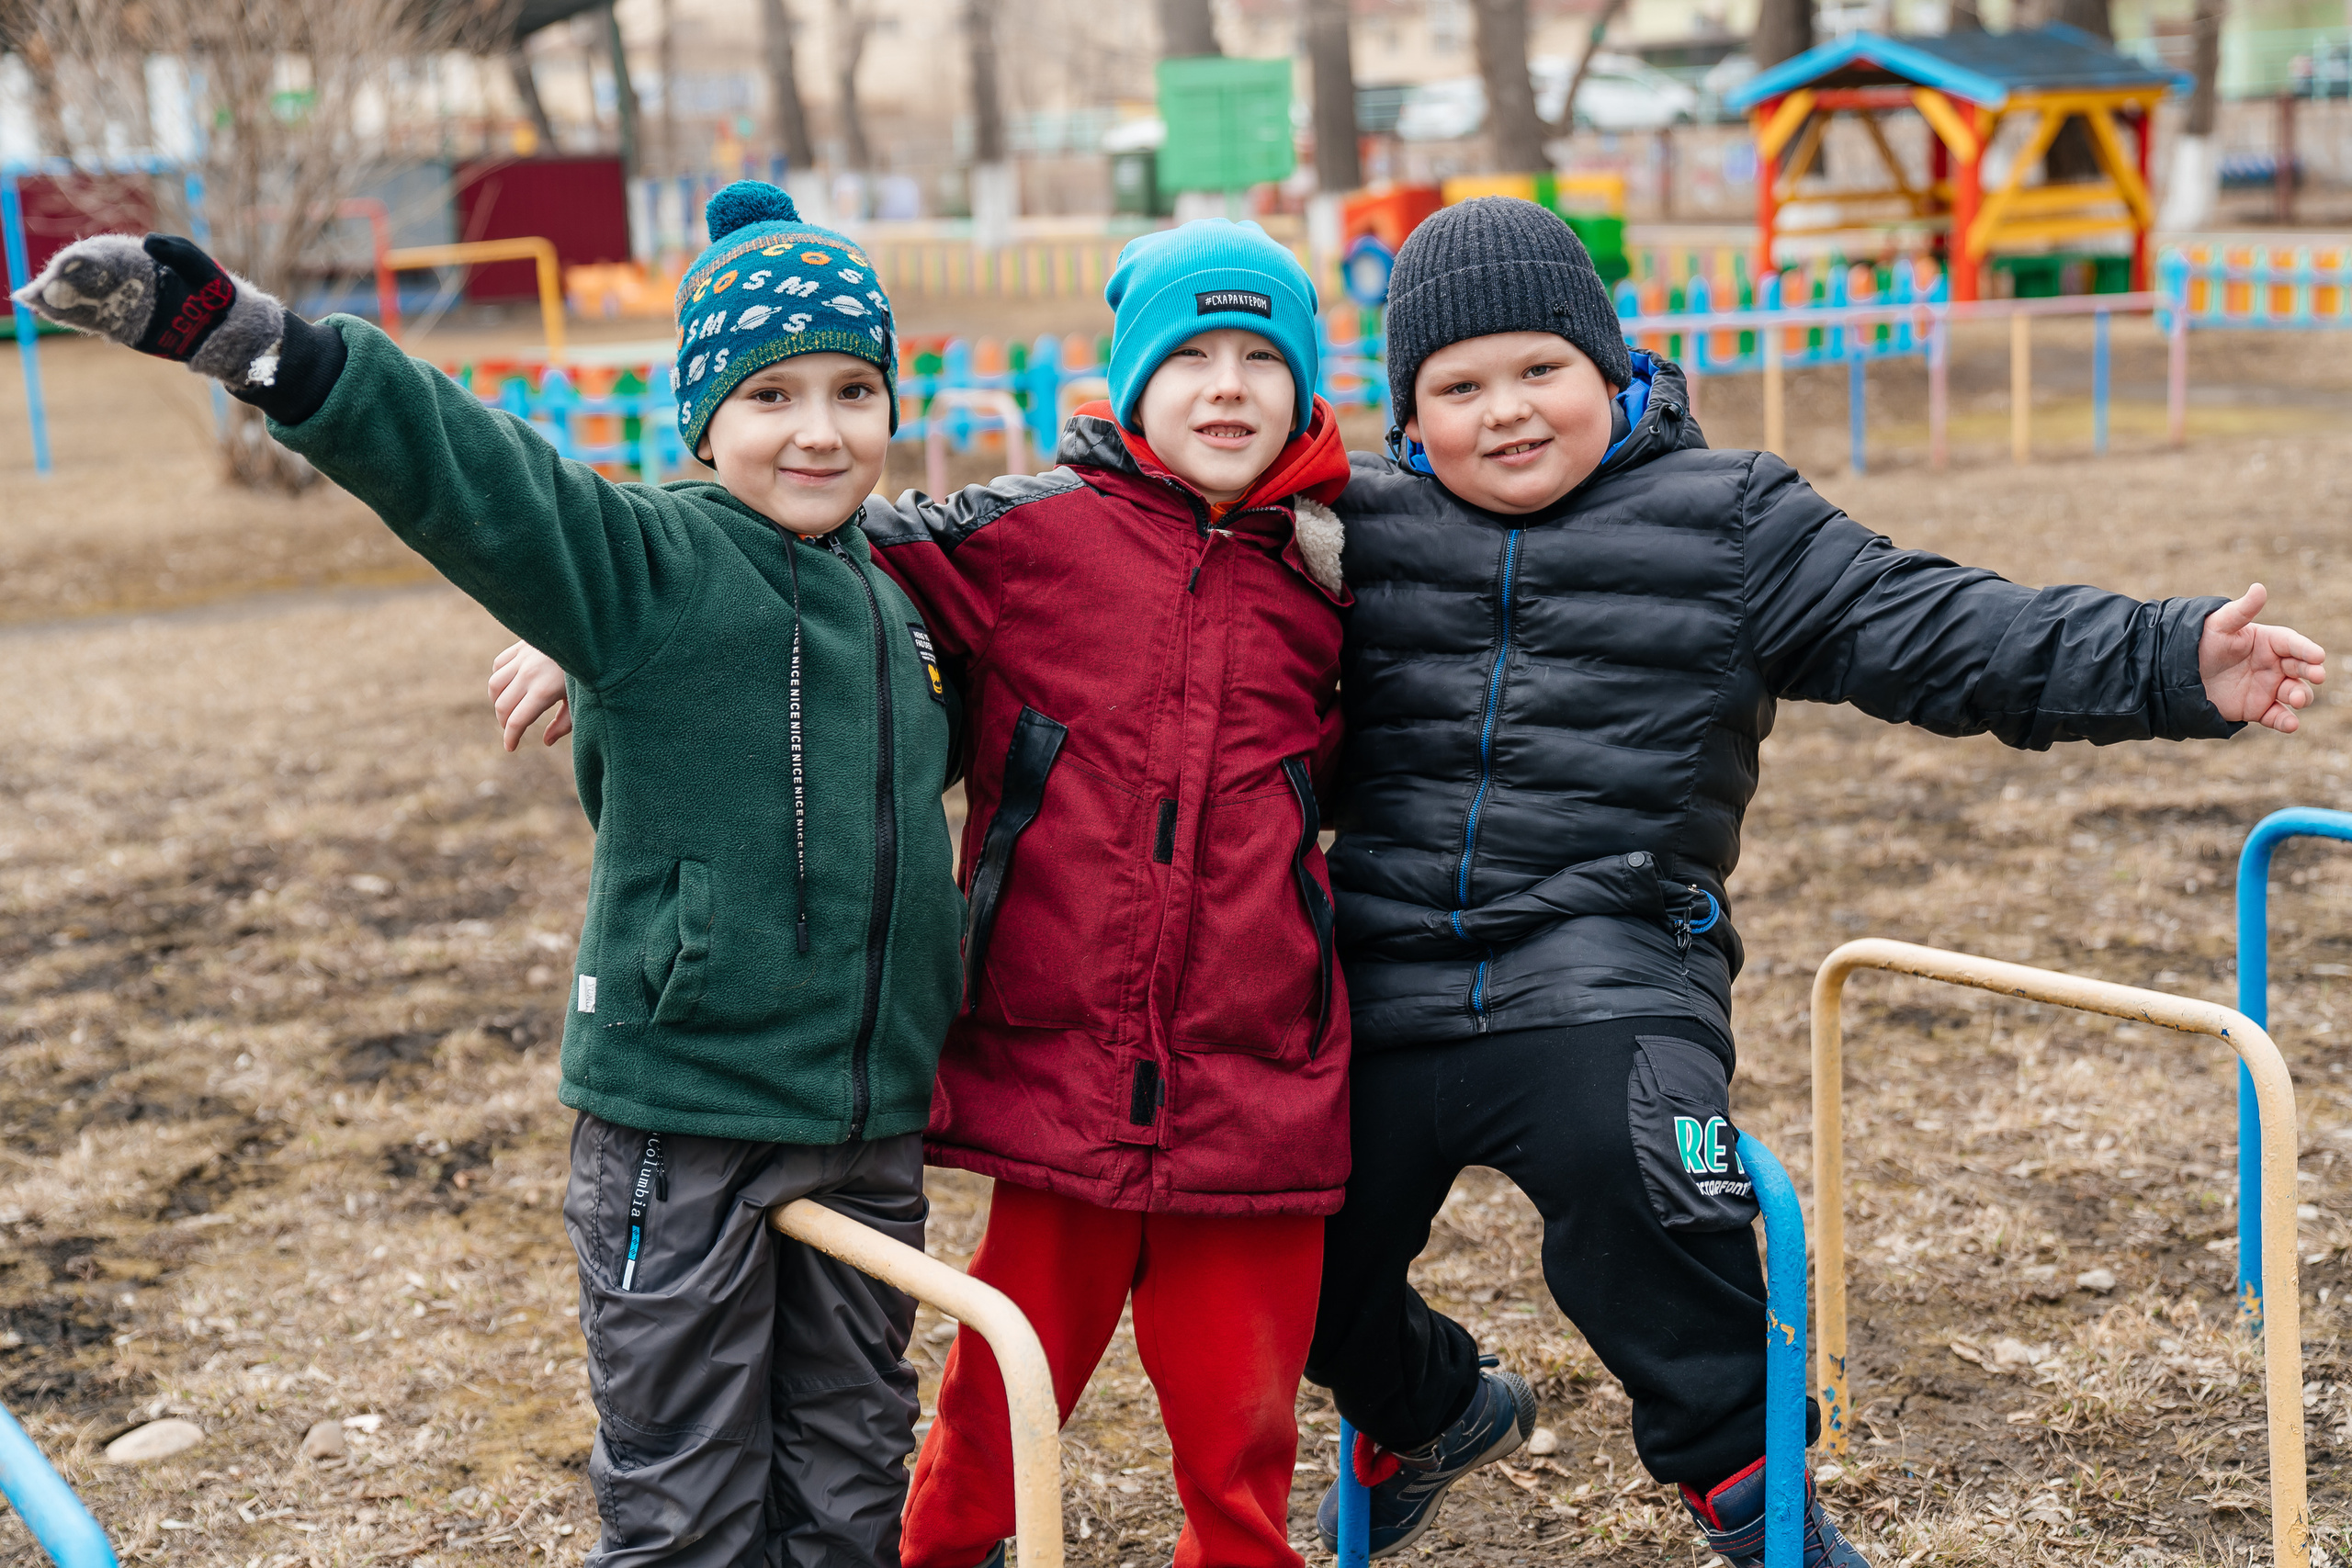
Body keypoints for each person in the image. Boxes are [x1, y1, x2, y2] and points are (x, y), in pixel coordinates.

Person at [1303, 197, 2328, 1568]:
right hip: (1378, 972)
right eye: (1460, 386)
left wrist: (2167, 660)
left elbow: (1947, 629)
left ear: (1613, 370)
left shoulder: (1733, 521)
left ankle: (1745, 1486)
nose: (1507, 412)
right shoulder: (1347, 536)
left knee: (1647, 1181)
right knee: (1263, 1214)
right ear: (1406, 414)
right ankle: (1426, 1408)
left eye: (1542, 369)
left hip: (1610, 964)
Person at [15, 183, 967, 1568]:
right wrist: (246, 340)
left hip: (866, 1124)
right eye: (771, 396)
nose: (819, 431)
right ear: (705, 423)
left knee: (847, 1485)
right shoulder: (651, 570)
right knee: (685, 1506)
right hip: (685, 1127)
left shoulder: (912, 596)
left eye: (854, 390)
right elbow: (471, 478)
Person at [491, 220, 1357, 1568]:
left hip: (1254, 1077)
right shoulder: (1032, 537)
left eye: (1263, 357)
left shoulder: (1341, 568)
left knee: (1236, 1435)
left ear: (1311, 384)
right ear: (1129, 383)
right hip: (1056, 1063)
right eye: (1191, 355)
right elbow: (806, 535)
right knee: (974, 1419)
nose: (1229, 386)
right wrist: (596, 619)